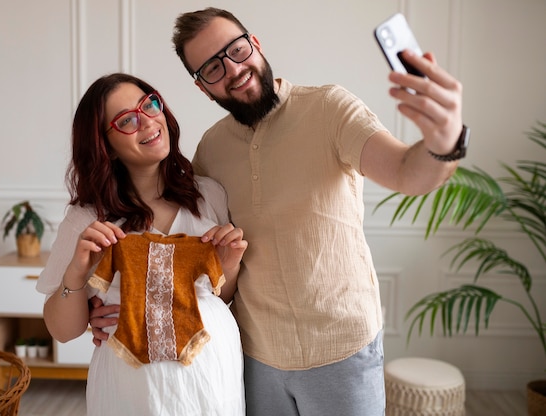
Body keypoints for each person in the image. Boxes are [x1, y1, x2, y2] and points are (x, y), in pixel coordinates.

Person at [91, 7, 468, 415]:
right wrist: (104, 302)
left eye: (236, 50)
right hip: (256, 359)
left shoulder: (330, 108)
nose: (233, 69)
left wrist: (446, 140)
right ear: (202, 88)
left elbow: (407, 173)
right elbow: (179, 241)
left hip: (342, 351)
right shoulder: (211, 151)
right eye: (212, 68)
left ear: (255, 44)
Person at [36, 72, 247, 416]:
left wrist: (230, 263)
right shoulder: (87, 217)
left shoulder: (208, 195)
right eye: (127, 121)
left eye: (149, 104)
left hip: (212, 373)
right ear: (106, 147)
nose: (148, 121)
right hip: (130, 384)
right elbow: (62, 331)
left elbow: (219, 295)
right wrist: (76, 272)